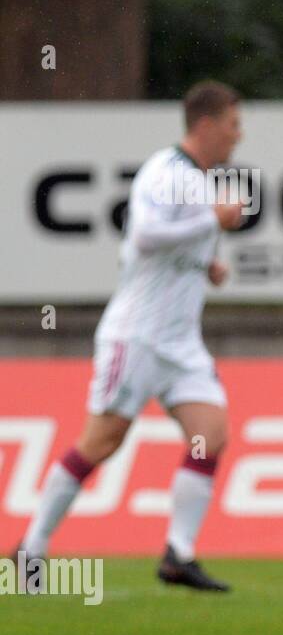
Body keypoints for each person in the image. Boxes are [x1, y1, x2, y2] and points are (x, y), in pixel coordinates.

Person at [15, 81, 247, 592]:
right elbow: (142, 235)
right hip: (137, 336)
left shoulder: (199, 180)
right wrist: (211, 220)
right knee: (101, 442)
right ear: (205, 125)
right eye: (233, 124)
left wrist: (206, 266)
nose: (239, 135)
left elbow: (161, 250)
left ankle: (177, 555)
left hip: (181, 342)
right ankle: (31, 548)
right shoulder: (165, 172)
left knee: (211, 434)